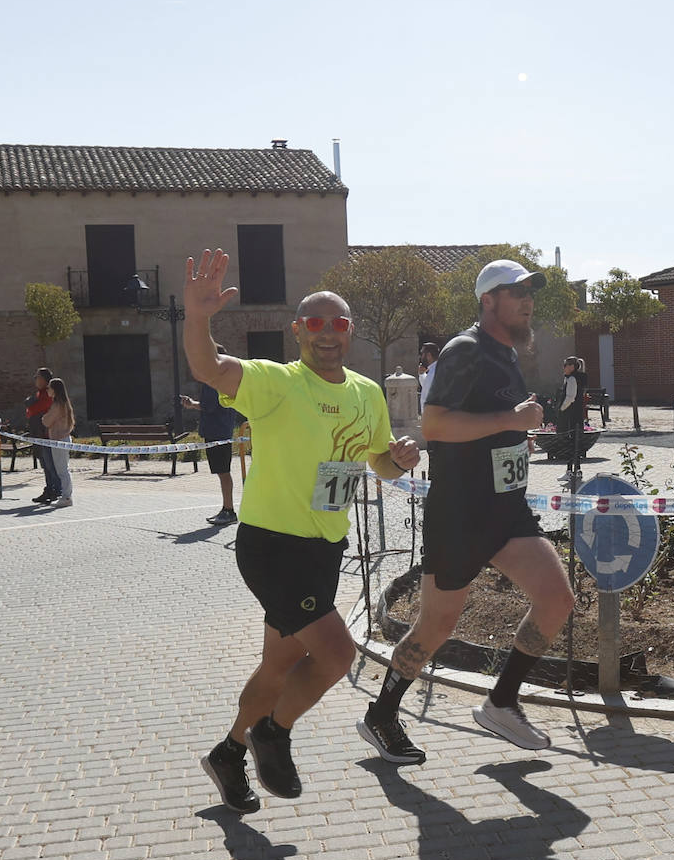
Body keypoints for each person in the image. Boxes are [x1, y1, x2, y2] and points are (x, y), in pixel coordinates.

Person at [185, 249, 422, 814]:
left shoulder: (366, 393)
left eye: (337, 324)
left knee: (278, 665)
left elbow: (377, 464)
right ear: (297, 332)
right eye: (313, 324)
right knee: (338, 656)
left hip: (324, 549)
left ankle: (227, 753)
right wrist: (198, 318)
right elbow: (210, 369)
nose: (326, 334)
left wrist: (399, 460)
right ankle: (273, 733)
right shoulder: (276, 382)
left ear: (350, 331)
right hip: (271, 547)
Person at [358, 259, 576, 764]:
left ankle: (501, 702)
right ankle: (382, 714)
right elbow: (434, 425)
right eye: (515, 291)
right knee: (437, 624)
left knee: (557, 599)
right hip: (460, 512)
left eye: (530, 292)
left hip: (506, 511)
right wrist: (511, 418)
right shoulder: (464, 349)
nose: (527, 300)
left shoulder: (506, 353)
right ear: (488, 300)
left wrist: (521, 425)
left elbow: (493, 423)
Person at [182, 342, 242, 525]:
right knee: (223, 471)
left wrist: (192, 404)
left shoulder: (213, 380)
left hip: (217, 432)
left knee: (223, 472)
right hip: (223, 429)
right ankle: (227, 509)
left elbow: (209, 406)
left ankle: (229, 510)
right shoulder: (227, 379)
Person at [25, 368, 60, 504]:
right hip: (37, 434)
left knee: (51, 465)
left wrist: (30, 408)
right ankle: (49, 489)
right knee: (45, 465)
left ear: (45, 380)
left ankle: (56, 491)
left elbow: (34, 409)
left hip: (46, 436)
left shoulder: (48, 394)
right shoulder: (39, 394)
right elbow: (29, 411)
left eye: (38, 377)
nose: (35, 379)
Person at [41, 377, 75, 508]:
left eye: (49, 387)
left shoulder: (57, 405)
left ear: (54, 390)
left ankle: (66, 497)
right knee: (63, 468)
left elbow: (46, 421)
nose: (47, 390)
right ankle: (66, 495)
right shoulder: (64, 403)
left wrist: (44, 417)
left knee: (62, 470)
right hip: (62, 438)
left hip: (59, 440)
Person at [417, 341, 440, 411]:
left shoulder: (434, 372)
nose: (421, 357)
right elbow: (427, 387)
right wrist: (421, 375)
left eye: (422, 354)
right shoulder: (434, 370)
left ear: (429, 355)